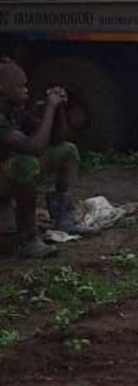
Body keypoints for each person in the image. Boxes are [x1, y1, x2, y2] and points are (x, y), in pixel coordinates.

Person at [0, 59, 89, 258]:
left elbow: (57, 139)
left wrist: (58, 110)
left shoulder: (13, 110)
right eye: (21, 86)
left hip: (5, 172)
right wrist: (49, 107)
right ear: (3, 88)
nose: (26, 90)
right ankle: (28, 240)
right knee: (26, 164)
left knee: (67, 150)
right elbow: (34, 147)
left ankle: (64, 218)